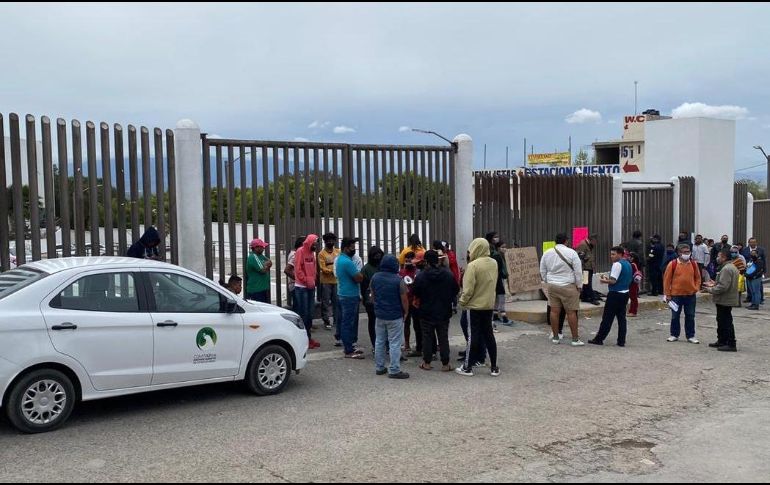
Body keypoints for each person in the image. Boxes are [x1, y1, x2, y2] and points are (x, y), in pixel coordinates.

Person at [456, 238, 501, 377]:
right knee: (489, 335)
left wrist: (462, 302)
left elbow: (468, 290)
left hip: (474, 306)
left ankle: (467, 367)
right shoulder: (493, 263)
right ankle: (494, 367)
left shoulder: (473, 266)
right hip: (488, 305)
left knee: (472, 336)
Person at [413, 250, 460, 372]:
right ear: (438, 260)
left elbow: (415, 291)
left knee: (427, 337)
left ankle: (427, 363)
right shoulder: (447, 274)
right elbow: (455, 289)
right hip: (443, 311)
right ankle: (445, 364)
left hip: (426, 311)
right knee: (443, 337)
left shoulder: (421, 275)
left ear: (426, 261)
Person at [540, 233, 585, 347]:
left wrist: (547, 280)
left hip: (552, 285)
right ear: (566, 241)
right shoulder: (572, 253)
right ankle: (575, 339)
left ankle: (555, 337)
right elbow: (578, 271)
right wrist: (579, 285)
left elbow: (542, 270)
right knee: (571, 312)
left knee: (554, 311)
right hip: (568, 286)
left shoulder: (547, 253)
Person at [369, 255, 410, 379]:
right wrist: (406, 312)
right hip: (395, 315)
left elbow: (372, 294)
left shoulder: (375, 277)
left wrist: (377, 306)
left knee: (379, 341)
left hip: (380, 315)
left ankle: (380, 367)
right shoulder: (398, 280)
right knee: (394, 343)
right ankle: (394, 369)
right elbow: (404, 299)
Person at [589, 247, 633, 347]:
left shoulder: (617, 264)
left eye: (614, 254)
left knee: (607, 318)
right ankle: (621, 340)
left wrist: (604, 280)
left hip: (615, 293)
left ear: (620, 254)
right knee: (621, 318)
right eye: (611, 254)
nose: (611, 256)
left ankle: (599, 338)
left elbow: (613, 281)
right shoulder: (628, 264)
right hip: (625, 293)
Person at [663, 243, 701, 344]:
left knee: (690, 315)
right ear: (679, 253)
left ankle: (690, 336)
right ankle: (674, 334)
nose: (687, 254)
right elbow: (667, 280)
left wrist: (696, 288)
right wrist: (668, 294)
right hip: (676, 295)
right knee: (675, 315)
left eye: (688, 252)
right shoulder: (673, 264)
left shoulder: (693, 264)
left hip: (690, 295)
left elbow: (698, 277)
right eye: (685, 252)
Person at [703, 249, 740, 351]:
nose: (717, 258)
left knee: (726, 322)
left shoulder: (727, 269)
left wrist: (710, 289)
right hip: (724, 299)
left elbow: (723, 287)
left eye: (718, 256)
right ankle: (722, 341)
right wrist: (714, 283)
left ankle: (731, 344)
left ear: (724, 257)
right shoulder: (728, 267)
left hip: (725, 300)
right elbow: (723, 282)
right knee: (721, 320)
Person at [336, 237, 365, 359]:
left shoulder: (340, 259)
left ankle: (349, 347)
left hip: (344, 293)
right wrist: (361, 275)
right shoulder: (347, 262)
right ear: (346, 248)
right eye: (352, 247)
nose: (354, 250)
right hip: (349, 295)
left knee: (346, 321)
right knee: (348, 323)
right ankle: (348, 350)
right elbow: (359, 277)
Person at [295, 234, 320, 349]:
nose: (316, 245)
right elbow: (298, 269)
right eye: (314, 243)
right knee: (303, 314)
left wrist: (313, 279)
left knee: (310, 314)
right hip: (301, 287)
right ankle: (302, 340)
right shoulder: (300, 251)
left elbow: (314, 267)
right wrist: (306, 280)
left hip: (310, 287)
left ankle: (308, 338)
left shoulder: (312, 253)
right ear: (309, 242)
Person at [485, 233, 510, 327]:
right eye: (495, 237)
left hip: (495, 278)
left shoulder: (495, 252)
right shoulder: (495, 254)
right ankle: (504, 317)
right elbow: (499, 269)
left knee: (497, 297)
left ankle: (495, 315)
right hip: (496, 278)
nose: (497, 238)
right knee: (501, 296)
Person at [362, 246, 384, 348]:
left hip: (383, 299)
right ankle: (375, 344)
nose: (378, 257)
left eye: (379, 255)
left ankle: (383, 344)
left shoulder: (383, 266)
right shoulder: (366, 269)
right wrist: (366, 300)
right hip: (371, 300)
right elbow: (363, 287)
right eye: (375, 255)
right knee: (373, 322)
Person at [318, 233, 341, 331]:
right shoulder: (321, 254)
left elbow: (340, 263)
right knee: (326, 302)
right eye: (328, 240)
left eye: (332, 240)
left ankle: (336, 320)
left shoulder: (338, 251)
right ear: (325, 241)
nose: (331, 242)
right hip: (326, 281)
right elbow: (323, 267)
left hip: (336, 281)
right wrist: (333, 271)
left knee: (336, 301)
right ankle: (326, 321)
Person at [399, 251, 421, 356]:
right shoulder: (401, 272)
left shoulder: (417, 272)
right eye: (406, 260)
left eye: (410, 260)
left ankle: (419, 345)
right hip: (406, 301)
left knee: (417, 325)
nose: (408, 262)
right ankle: (407, 344)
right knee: (406, 323)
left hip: (415, 302)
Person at [245, 238, 272, 303]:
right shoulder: (253, 257)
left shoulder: (260, 255)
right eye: (262, 247)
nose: (264, 248)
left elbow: (270, 262)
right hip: (256, 290)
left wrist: (266, 265)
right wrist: (267, 265)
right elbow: (263, 270)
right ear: (256, 248)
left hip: (261, 289)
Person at [577, 234, 600, 305]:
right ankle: (592, 298)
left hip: (589, 266)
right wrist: (584, 260)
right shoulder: (583, 244)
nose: (596, 243)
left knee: (586, 282)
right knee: (587, 283)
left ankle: (584, 297)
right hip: (585, 267)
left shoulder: (589, 244)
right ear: (592, 239)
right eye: (595, 241)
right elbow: (579, 255)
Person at [284, 236, 305, 309]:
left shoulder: (296, 253)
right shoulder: (295, 254)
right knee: (300, 307)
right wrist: (299, 280)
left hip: (297, 285)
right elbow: (287, 270)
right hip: (296, 286)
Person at [747, 237, 766, 305]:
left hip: (756, 277)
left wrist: (763, 271)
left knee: (756, 290)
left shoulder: (759, 260)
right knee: (752, 291)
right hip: (749, 276)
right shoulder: (750, 258)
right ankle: (753, 303)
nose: (753, 243)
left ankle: (757, 304)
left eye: (754, 242)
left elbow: (762, 264)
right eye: (751, 242)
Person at [627, 252, 642, 317]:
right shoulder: (635, 264)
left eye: (630, 257)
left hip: (632, 283)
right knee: (633, 297)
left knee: (633, 298)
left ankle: (633, 311)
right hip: (634, 283)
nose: (628, 258)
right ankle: (632, 311)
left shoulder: (632, 265)